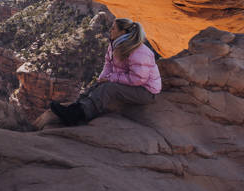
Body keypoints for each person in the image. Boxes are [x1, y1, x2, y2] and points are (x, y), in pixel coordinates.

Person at [33, 17, 161, 129]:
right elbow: (108, 64)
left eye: (113, 29)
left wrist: (111, 78)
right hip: (131, 84)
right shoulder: (115, 45)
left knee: (109, 89)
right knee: (97, 86)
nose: (110, 31)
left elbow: (139, 79)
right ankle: (73, 109)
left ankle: (80, 115)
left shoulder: (138, 50)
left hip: (145, 91)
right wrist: (102, 78)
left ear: (123, 32)